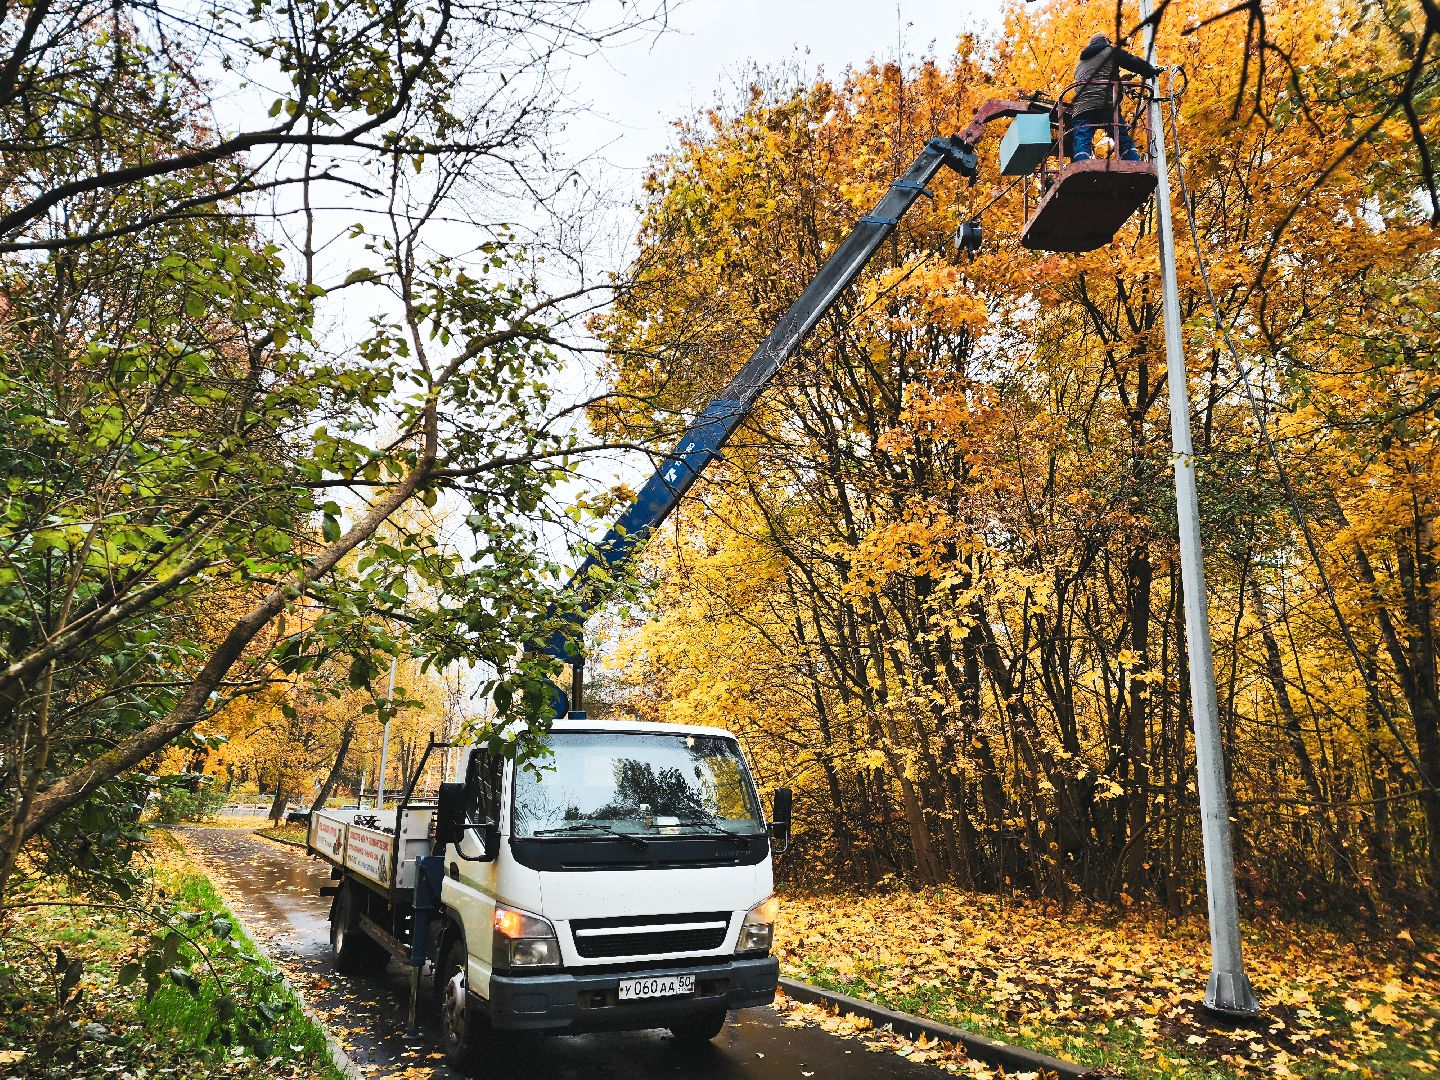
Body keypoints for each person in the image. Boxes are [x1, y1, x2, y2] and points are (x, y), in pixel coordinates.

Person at [1068, 32, 1161, 162]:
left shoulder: (1080, 63)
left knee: (1082, 139)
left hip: (1081, 107)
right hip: (1105, 104)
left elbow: (1096, 77)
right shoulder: (1110, 52)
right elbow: (1132, 62)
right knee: (1120, 135)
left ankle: (1081, 164)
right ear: (1106, 41)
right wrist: (1150, 70)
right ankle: (1132, 161)